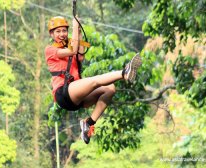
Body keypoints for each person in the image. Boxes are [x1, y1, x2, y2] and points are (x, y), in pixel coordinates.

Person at [45, 16, 142, 144]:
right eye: (58, 31)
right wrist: (74, 26)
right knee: (94, 81)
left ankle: (88, 123)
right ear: (51, 34)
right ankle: (124, 72)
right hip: (63, 93)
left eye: (64, 31)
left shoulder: (71, 42)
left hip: (76, 97)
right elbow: (72, 50)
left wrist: (78, 31)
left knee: (110, 89)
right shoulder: (50, 50)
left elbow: (79, 56)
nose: (62, 34)